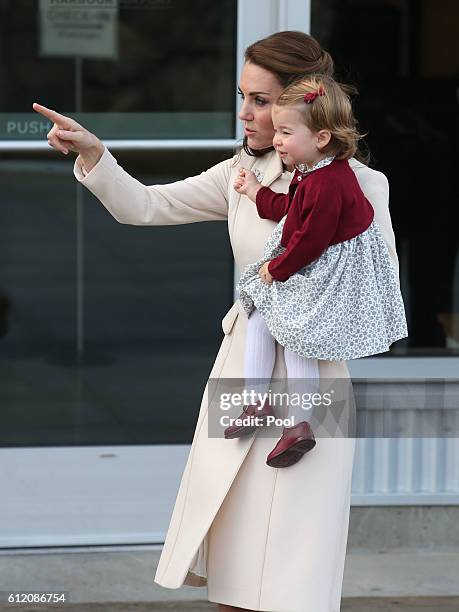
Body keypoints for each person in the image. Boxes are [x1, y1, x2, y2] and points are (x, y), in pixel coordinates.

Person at [33, 31, 401, 612]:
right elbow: (146, 206)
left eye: (260, 100)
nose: (246, 113)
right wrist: (93, 155)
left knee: (293, 572)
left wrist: (290, 277)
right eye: (243, 95)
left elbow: (368, 286)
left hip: (314, 378)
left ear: (302, 105)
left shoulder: (361, 186)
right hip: (243, 370)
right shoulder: (239, 175)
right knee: (233, 560)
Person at [223, 75, 408, 471]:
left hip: (329, 275)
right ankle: (257, 402)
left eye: (286, 132)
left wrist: (277, 269)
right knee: (258, 318)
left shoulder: (330, 182)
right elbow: (291, 211)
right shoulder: (311, 172)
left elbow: (311, 240)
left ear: (321, 137)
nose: (276, 140)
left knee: (296, 339)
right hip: (314, 266)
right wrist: (256, 191)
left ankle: (298, 424)